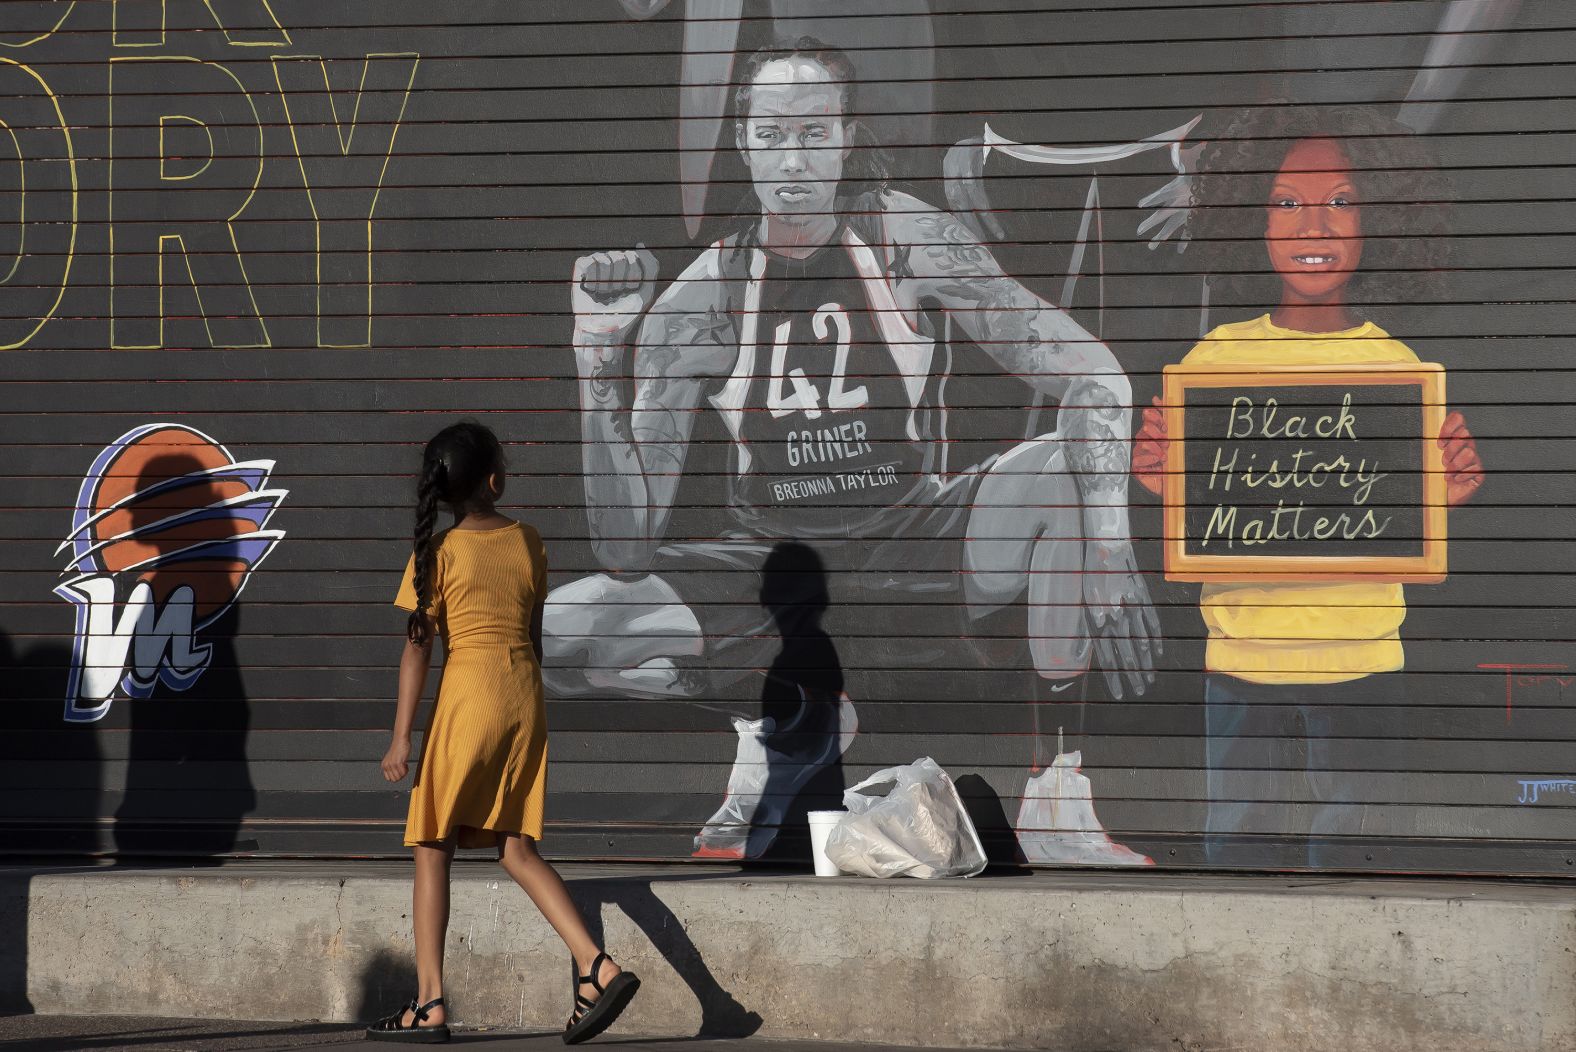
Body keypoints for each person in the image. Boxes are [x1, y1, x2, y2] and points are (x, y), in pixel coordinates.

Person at [549, 37, 1159, 862]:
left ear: (846, 137)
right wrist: (597, 361)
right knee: (549, 634)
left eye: (811, 133)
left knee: (1065, 467)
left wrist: (1113, 549)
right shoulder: (700, 299)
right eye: (771, 135)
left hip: (915, 544)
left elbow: (1095, 380)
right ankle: (781, 720)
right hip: (775, 571)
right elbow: (622, 546)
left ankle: (1058, 793)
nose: (790, 157)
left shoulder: (904, 236)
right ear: (743, 142)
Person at [1131, 106, 1486, 867]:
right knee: (1237, 843)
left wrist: (1441, 500)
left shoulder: (1399, 370)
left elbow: (1396, 514)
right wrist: (1165, 485)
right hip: (1241, 656)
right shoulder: (1215, 362)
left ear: (1378, 221)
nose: (1314, 227)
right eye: (1287, 201)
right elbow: (1206, 504)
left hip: (1361, 656)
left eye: (1342, 200)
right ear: (1252, 219)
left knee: (1357, 856)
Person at [368, 422, 640, 1044]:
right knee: (516, 847)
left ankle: (430, 1001)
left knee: (432, 844)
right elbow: (536, 636)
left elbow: (417, 651)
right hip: (524, 698)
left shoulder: (435, 553)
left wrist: (401, 737)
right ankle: (595, 965)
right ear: (495, 481)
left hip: (469, 698)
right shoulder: (529, 541)